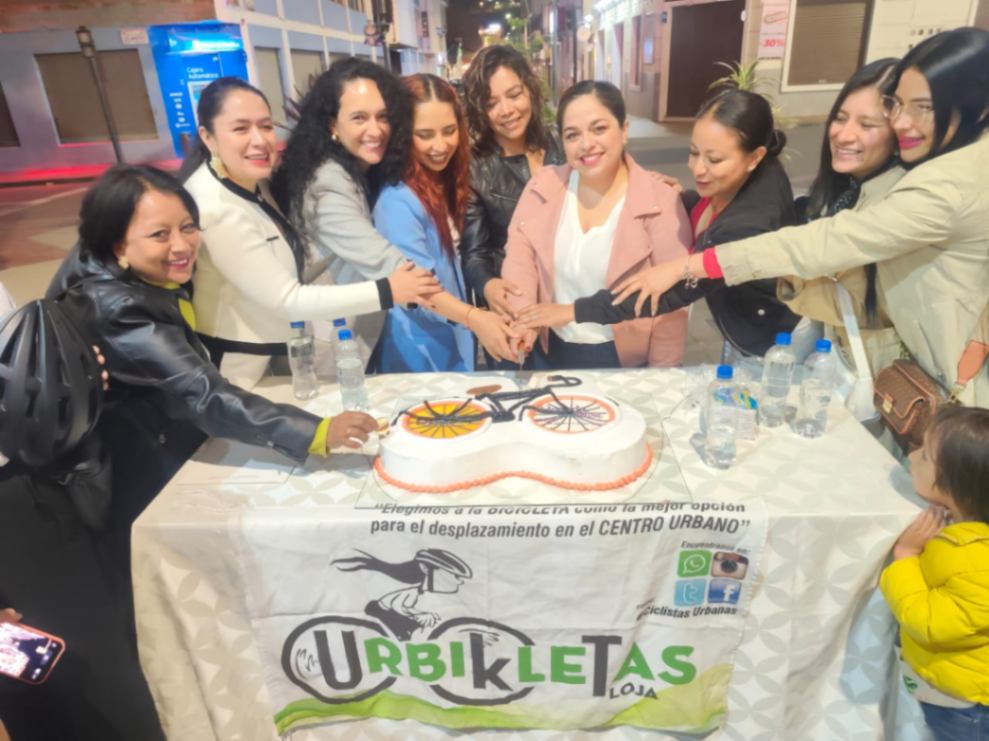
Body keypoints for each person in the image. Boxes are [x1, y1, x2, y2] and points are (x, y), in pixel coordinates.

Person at [612, 28, 989, 406]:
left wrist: (689, 266)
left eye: (922, 108)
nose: (903, 122)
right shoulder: (852, 184)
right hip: (850, 364)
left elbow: (828, 242)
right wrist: (688, 198)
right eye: (898, 106)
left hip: (922, 386)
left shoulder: (940, 187)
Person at [49, 165, 381, 575]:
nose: (181, 245)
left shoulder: (115, 267)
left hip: (153, 434)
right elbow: (201, 392)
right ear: (119, 244)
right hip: (131, 470)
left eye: (188, 227)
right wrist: (316, 431)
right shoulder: (119, 308)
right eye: (159, 235)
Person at [179, 76, 439, 388]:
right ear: (207, 137)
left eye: (265, 126)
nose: (259, 139)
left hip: (276, 360)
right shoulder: (215, 209)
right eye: (240, 128)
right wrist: (388, 290)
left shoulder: (253, 182)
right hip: (237, 374)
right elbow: (289, 299)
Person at [516, 88, 798, 359]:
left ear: (755, 157)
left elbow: (667, 296)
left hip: (768, 343)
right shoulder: (745, 180)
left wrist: (569, 312)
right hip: (739, 327)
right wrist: (684, 198)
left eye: (713, 159)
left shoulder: (750, 224)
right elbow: (520, 250)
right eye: (694, 152)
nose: (697, 169)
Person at [272, 59, 514, 363]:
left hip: (425, 335)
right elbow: (401, 273)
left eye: (382, 117)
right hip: (346, 348)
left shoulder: (376, 171)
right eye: (359, 117)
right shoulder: (335, 188)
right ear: (333, 124)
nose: (375, 130)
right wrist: (475, 318)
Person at [0, 300, 163, 740]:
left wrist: (75, 371)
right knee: (57, 694)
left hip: (51, 486)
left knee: (116, 670)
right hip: (17, 531)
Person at [503, 81, 691, 369]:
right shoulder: (542, 187)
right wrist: (524, 320)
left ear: (624, 130)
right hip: (547, 349)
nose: (586, 144)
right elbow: (520, 261)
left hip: (622, 359)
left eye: (599, 129)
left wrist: (663, 376)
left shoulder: (659, 201)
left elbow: (673, 304)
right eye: (572, 134)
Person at [371, 74, 515, 371]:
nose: (441, 145)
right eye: (424, 135)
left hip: (451, 339)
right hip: (419, 352)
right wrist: (476, 318)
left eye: (449, 131)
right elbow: (419, 290)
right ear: (402, 133)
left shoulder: (441, 180)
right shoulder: (396, 200)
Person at [778, 58, 905, 379]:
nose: (843, 135)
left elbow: (868, 307)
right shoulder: (843, 189)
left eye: (867, 125)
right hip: (833, 356)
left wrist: (791, 275)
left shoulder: (897, 205)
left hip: (878, 378)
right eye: (840, 117)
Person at [880, 406, 989, 740]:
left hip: (967, 708)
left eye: (926, 456)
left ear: (959, 485)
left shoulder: (978, 565)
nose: (912, 456)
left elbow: (927, 621)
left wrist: (906, 555)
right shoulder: (967, 526)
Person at [460, 44, 565, 318]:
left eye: (514, 94)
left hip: (570, 296)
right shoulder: (474, 168)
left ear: (530, 89)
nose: (506, 110)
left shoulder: (564, 142)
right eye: (491, 103)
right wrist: (488, 284)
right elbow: (474, 252)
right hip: (516, 301)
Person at [333, 549, 472, 640]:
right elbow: (402, 607)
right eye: (454, 575)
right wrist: (420, 614)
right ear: (425, 568)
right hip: (381, 613)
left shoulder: (430, 596)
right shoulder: (413, 593)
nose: (459, 581)